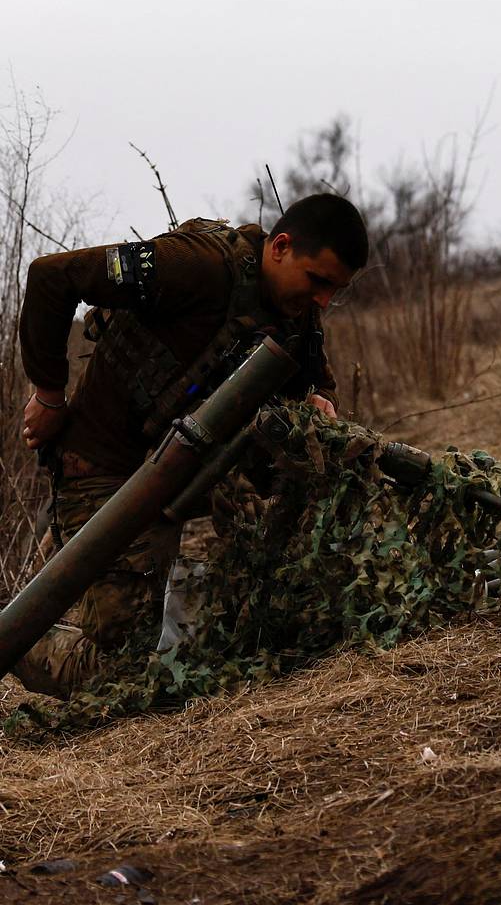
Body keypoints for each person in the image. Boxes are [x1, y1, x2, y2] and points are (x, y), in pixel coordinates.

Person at [12, 191, 368, 698]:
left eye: (336, 291)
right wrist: (48, 393)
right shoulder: (195, 266)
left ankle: (94, 558)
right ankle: (21, 624)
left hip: (185, 474)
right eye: (319, 282)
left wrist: (320, 402)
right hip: (103, 467)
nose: (323, 301)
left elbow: (317, 381)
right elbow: (52, 275)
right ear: (281, 247)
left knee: (256, 604)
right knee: (131, 668)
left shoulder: (297, 314)